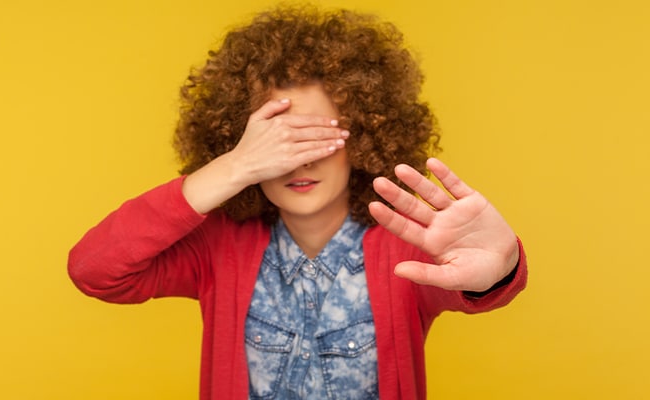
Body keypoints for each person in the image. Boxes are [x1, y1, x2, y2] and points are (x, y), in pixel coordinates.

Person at [68, 4, 527, 400]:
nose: (297, 163)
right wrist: (232, 169)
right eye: (277, 142)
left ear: (363, 140)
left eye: (318, 138)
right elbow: (95, 270)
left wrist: (500, 268)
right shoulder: (218, 249)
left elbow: (474, 281)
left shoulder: (404, 247)